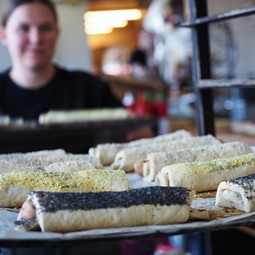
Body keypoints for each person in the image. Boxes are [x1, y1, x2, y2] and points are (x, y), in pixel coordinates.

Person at [0, 1, 154, 255]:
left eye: (45, 28)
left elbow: (136, 138)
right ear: (4, 34)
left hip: (93, 231)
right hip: (13, 238)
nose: (36, 38)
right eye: (24, 28)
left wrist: (140, 140)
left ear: (57, 33)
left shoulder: (89, 88)